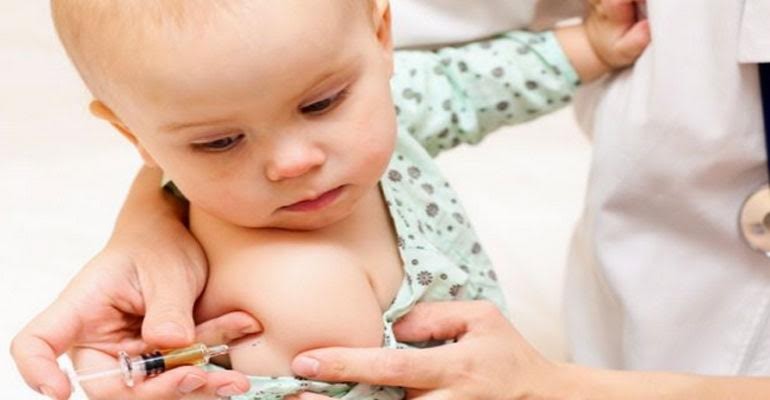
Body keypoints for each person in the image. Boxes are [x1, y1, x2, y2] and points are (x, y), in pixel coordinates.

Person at [12, 0, 646, 399]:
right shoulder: (244, 300)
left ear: (381, 37)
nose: (294, 162)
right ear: (135, 137)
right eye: (220, 142)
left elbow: (463, 87)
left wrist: (588, 48)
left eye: (320, 104)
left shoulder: (376, 95)